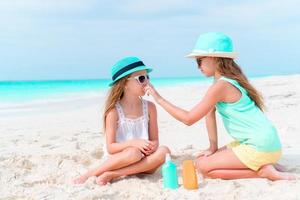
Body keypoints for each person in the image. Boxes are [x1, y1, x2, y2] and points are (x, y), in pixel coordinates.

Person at [145, 32, 295, 181]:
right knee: (208, 157)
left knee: (203, 166)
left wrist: (158, 98)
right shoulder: (228, 81)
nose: (198, 67)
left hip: (259, 146)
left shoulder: (221, 86)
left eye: (199, 60)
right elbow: (209, 114)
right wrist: (212, 147)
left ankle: (263, 172)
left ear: (214, 58)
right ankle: (267, 163)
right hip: (269, 144)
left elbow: (188, 119)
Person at [74, 56, 170, 185]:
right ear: (125, 84)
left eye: (147, 77)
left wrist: (152, 146)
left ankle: (113, 174)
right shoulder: (114, 112)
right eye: (141, 78)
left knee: (164, 151)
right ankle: (90, 174)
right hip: (121, 159)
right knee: (133, 153)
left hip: (143, 162)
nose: (147, 82)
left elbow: (155, 140)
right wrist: (134, 143)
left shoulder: (150, 108)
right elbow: (111, 148)